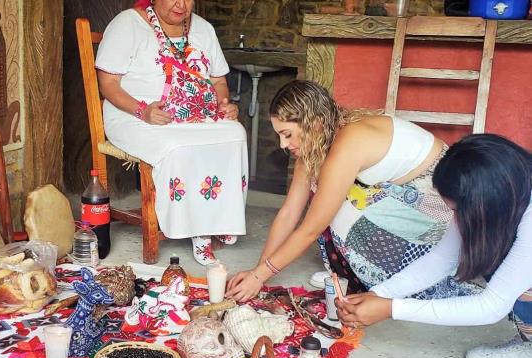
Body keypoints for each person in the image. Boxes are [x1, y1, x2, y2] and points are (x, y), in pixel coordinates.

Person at [226, 80, 479, 301]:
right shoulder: (317, 139)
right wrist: (258, 272)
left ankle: (419, 281)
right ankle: (359, 271)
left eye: (287, 134)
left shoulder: (348, 142)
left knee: (339, 212)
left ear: (314, 124)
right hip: (404, 199)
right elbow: (290, 212)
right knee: (330, 196)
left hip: (444, 209)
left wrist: (259, 276)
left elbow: (311, 228)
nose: (283, 144)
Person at [337, 134, 532, 358]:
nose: (457, 218)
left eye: (459, 209)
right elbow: (440, 260)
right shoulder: (509, 195)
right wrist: (378, 294)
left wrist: (391, 309)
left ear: (486, 201)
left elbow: (490, 307)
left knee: (517, 279)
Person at [95, 0, 248, 265]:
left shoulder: (203, 29)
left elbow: (218, 81)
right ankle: (199, 231)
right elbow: (107, 83)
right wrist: (142, 110)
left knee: (235, 132)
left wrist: (223, 105)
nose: (181, 4)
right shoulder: (127, 24)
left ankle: (221, 219)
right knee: (177, 144)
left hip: (193, 115)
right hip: (135, 116)